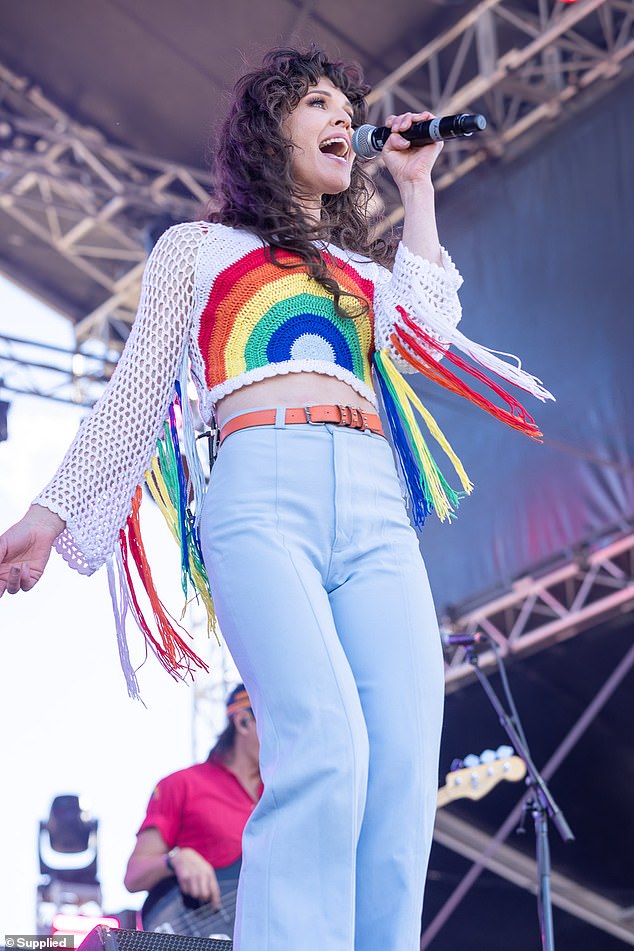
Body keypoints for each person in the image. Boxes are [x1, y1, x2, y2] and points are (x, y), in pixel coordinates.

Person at [0, 46, 551, 951]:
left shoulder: (361, 273)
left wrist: (416, 189)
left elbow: (432, 337)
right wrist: (47, 514)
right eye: (318, 101)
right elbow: (136, 397)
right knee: (327, 744)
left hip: (376, 505)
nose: (344, 117)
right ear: (270, 128)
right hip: (262, 494)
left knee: (406, 765)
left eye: (349, 104)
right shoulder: (199, 248)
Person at [124, 684, 261, 939]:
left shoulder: (283, 794)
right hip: (202, 936)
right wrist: (176, 858)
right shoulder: (181, 785)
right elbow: (134, 876)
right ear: (243, 722)